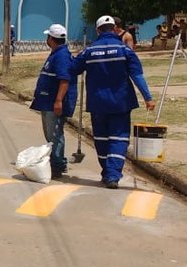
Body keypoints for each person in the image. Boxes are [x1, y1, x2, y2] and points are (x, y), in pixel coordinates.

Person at [71, 15, 156, 189]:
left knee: (101, 139)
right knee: (119, 138)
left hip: (97, 103)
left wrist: (72, 56)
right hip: (121, 102)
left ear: (97, 30)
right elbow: (137, 76)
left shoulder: (89, 51)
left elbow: (73, 69)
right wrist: (148, 98)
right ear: (115, 29)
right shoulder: (125, 51)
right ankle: (112, 175)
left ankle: (108, 173)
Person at [30, 24, 78, 179]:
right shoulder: (56, 53)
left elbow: (64, 80)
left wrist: (58, 101)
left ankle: (57, 166)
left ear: (51, 38)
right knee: (51, 134)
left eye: (47, 36)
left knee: (55, 134)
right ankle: (56, 162)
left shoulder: (62, 56)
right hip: (47, 101)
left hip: (54, 103)